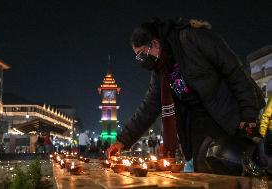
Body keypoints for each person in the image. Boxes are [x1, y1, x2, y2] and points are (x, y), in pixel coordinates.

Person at [107, 17, 265, 175]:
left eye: (141, 54)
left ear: (154, 44)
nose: (140, 61)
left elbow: (234, 71)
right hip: (197, 128)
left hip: (226, 116)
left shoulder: (191, 38)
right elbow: (149, 107)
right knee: (205, 175)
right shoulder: (161, 70)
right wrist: (123, 140)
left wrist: (249, 113)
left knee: (234, 169)